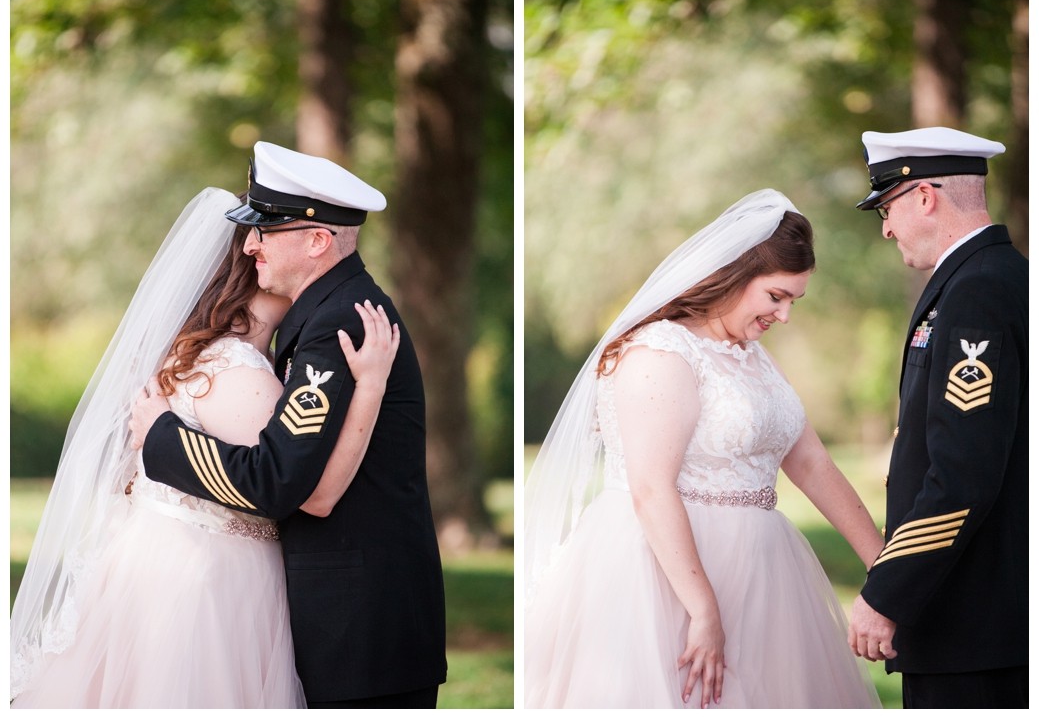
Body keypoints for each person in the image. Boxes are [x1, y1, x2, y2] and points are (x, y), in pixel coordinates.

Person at [10, 187, 401, 707]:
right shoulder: (240, 373)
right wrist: (371, 386)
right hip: (211, 586)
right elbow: (311, 494)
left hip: (153, 567)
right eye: (256, 243)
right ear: (249, 268)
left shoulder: (194, 357)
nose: (258, 249)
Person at [524, 189, 883, 709]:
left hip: (763, 574)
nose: (784, 315)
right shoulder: (660, 353)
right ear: (735, 275)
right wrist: (703, 610)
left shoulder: (752, 356)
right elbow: (651, 488)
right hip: (663, 577)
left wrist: (884, 566)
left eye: (793, 302)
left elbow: (811, 463)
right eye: (776, 296)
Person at [129, 142, 447, 709]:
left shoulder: (339, 322)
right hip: (354, 619)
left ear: (317, 240)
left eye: (265, 230)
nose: (250, 244)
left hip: (361, 627)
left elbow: (279, 481)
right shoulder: (326, 313)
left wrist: (163, 438)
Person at [847, 127, 1027, 709]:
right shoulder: (1000, 275)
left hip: (973, 623)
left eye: (887, 209)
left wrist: (888, 593)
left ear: (924, 196)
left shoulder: (977, 290)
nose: (886, 228)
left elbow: (963, 474)